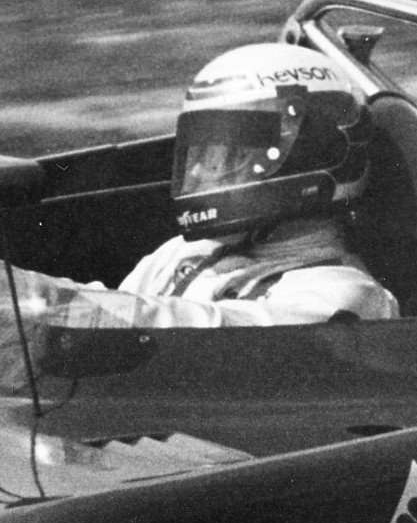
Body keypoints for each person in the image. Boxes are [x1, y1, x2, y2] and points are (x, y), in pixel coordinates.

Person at [111, 43, 401, 323]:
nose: (198, 170)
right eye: (204, 151)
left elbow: (218, 336)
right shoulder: (177, 253)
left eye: (231, 156)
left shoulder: (343, 294)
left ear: (306, 155)